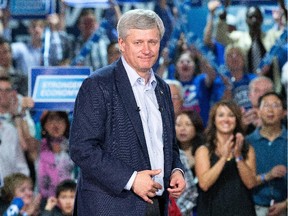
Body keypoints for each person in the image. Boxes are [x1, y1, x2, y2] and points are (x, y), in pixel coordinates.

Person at [69, 9, 186, 216]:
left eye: (153, 42)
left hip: (155, 205)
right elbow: (82, 148)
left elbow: (167, 145)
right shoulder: (98, 85)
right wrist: (131, 179)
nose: (147, 50)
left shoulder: (163, 88)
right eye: (138, 42)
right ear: (122, 44)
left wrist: (176, 170)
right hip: (109, 206)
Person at [194, 100, 257, 216]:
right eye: (221, 115)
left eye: (231, 115)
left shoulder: (247, 149)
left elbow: (251, 183)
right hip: (212, 210)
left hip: (242, 210)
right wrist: (223, 157)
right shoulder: (203, 150)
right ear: (214, 120)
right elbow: (204, 184)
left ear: (236, 120)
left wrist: (238, 156)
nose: (226, 120)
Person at [246, 92, 287, 216]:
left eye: (276, 105)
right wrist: (268, 175)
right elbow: (246, 180)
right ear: (257, 111)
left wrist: (285, 204)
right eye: (266, 105)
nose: (270, 110)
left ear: (284, 112)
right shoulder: (247, 142)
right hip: (255, 208)